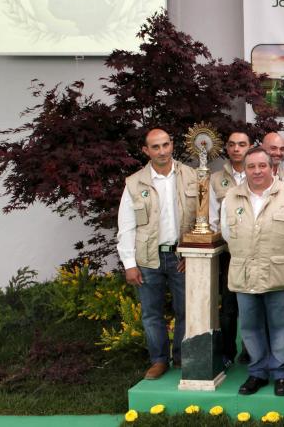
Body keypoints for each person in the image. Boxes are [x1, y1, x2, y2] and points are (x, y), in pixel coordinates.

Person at [221, 147, 284, 396]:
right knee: (250, 327)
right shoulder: (231, 198)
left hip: (279, 274)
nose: (257, 171)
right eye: (251, 166)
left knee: (282, 325)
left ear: (272, 167)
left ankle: (281, 374)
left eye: (262, 166)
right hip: (245, 274)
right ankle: (257, 372)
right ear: (245, 169)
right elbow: (228, 234)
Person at [117, 128, 197, 379]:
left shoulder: (191, 176)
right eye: (155, 147)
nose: (162, 151)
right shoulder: (134, 182)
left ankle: (183, 358)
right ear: (145, 150)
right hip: (148, 258)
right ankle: (159, 360)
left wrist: (192, 253)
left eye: (165, 145)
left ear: (172, 144)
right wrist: (129, 263)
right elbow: (126, 226)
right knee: (152, 313)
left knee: (187, 310)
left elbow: (204, 219)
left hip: (181, 257)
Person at [208, 131, 250, 366]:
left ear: (249, 146)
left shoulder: (260, 172)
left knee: (251, 304)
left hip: (255, 250)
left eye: (242, 144)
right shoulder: (216, 179)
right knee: (229, 305)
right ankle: (227, 350)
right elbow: (214, 218)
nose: (236, 149)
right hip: (230, 252)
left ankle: (249, 349)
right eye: (232, 144)